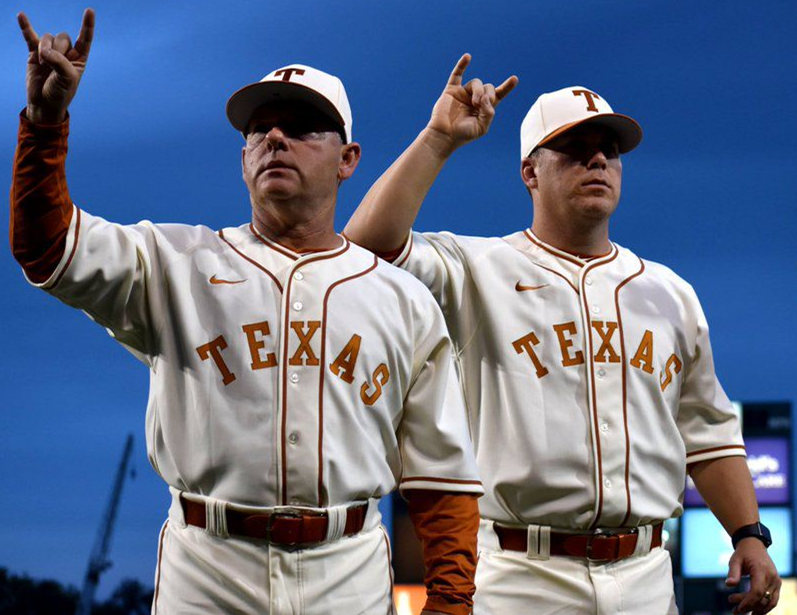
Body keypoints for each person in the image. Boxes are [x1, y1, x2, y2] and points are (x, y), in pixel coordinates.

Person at [10, 10, 484, 615]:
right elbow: (47, 246)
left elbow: (441, 477)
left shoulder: (403, 298)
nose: (276, 139)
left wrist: (450, 604)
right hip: (209, 569)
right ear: (243, 160)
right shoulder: (175, 262)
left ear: (348, 160)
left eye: (304, 127)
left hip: (349, 573)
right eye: (260, 130)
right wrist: (46, 124)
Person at [344, 54, 781, 614]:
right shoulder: (477, 268)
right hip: (522, 573)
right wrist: (438, 139)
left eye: (610, 151)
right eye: (575, 150)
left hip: (646, 575)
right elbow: (366, 248)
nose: (597, 159)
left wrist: (748, 533)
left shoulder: (670, 292)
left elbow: (708, 433)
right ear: (531, 171)